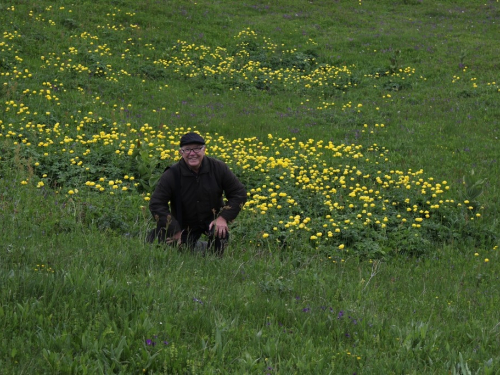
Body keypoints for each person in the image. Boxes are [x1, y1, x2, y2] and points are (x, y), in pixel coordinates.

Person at [147, 132, 247, 256]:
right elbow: (156, 203)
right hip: (183, 223)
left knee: (220, 235)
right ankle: (195, 245)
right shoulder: (172, 174)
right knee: (166, 247)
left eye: (197, 149)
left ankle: (214, 256)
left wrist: (223, 217)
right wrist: (174, 229)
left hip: (211, 220)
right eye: (187, 150)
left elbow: (239, 193)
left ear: (204, 150)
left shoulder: (218, 168)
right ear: (181, 152)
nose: (192, 153)